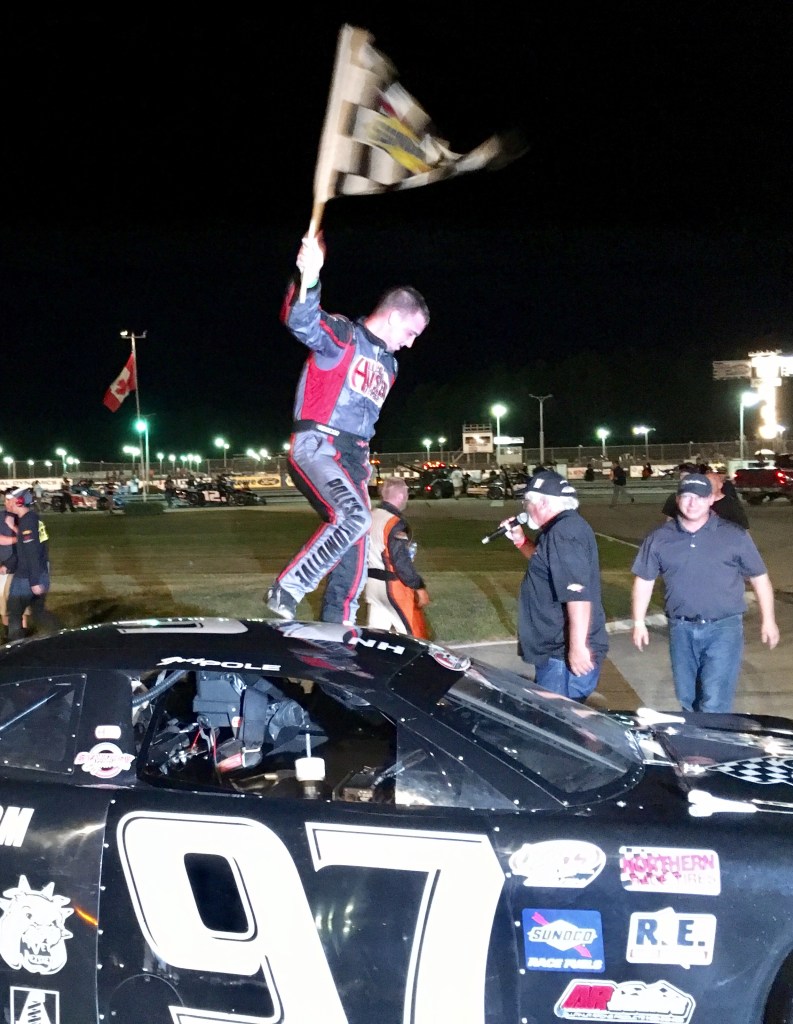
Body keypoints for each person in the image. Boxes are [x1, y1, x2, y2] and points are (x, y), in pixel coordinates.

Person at [266, 232, 429, 624]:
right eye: (410, 333)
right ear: (393, 317)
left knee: (354, 559)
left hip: (354, 461)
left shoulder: (389, 366)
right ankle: (288, 587)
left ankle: (338, 634)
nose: (409, 345)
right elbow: (300, 319)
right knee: (354, 518)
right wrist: (309, 278)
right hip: (318, 446)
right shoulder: (343, 337)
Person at [631, 473, 779, 713]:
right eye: (686, 496)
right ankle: (695, 747)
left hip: (724, 628)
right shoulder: (659, 538)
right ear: (677, 499)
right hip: (680, 628)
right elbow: (644, 580)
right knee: (687, 699)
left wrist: (768, 620)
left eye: (699, 497)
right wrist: (638, 622)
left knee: (714, 700)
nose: (692, 503)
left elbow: (760, 578)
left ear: (711, 499)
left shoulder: (733, 535)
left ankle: (712, 746)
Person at [501, 469, 609, 701]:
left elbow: (577, 593)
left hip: (561, 652)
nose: (525, 508)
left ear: (542, 502)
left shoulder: (564, 532)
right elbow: (544, 562)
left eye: (526, 501)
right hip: (555, 647)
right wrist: (520, 540)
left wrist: (577, 647)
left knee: (561, 722)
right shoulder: (557, 529)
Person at [365, 477, 430, 637]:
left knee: (377, 638)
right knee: (416, 638)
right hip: (393, 586)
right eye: (406, 493)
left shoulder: (370, 516)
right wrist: (418, 586)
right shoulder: (394, 523)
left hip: (372, 584)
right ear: (400, 496)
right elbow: (400, 561)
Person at [4, 487, 61, 642]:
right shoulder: (32, 519)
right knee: (38, 612)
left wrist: (34, 582)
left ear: (19, 502)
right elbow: (28, 545)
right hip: (38, 574)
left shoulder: (27, 523)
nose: (6, 503)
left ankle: (15, 647)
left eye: (9, 499)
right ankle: (60, 635)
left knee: (14, 614)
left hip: (27, 578)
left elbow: (32, 553)